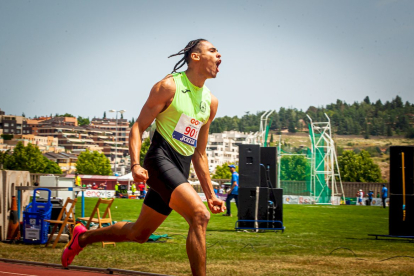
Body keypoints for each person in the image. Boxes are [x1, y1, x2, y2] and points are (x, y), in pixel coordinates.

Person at [61, 38, 225, 275]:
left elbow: (199, 153)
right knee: (199, 216)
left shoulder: (211, 102)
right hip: (158, 162)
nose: (219, 55)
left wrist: (211, 194)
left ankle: (82, 237)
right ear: (195, 57)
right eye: (213, 50)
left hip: (179, 170)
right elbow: (138, 127)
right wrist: (135, 164)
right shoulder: (169, 86)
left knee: (139, 234)